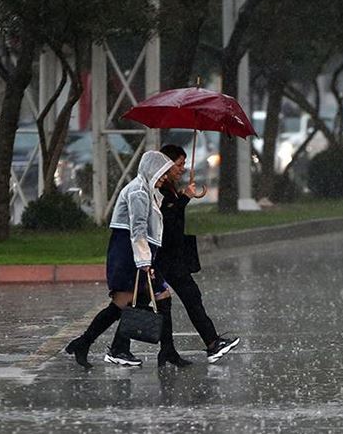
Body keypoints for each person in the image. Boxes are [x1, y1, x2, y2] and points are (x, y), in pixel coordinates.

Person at [65, 151, 175, 369]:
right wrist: (145, 262)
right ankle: (92, 344)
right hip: (128, 254)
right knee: (122, 303)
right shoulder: (138, 192)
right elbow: (138, 229)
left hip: (136, 253)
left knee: (141, 300)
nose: (165, 178)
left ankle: (117, 347)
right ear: (151, 171)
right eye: (162, 173)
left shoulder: (147, 191)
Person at [156, 144, 240, 365]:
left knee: (175, 301)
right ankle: (211, 343)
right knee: (180, 299)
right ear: (166, 164)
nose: (182, 168)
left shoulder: (170, 188)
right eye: (179, 164)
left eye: (184, 164)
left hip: (172, 255)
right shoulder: (161, 189)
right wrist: (184, 199)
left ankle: (171, 350)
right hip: (165, 256)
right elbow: (166, 221)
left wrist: (183, 196)